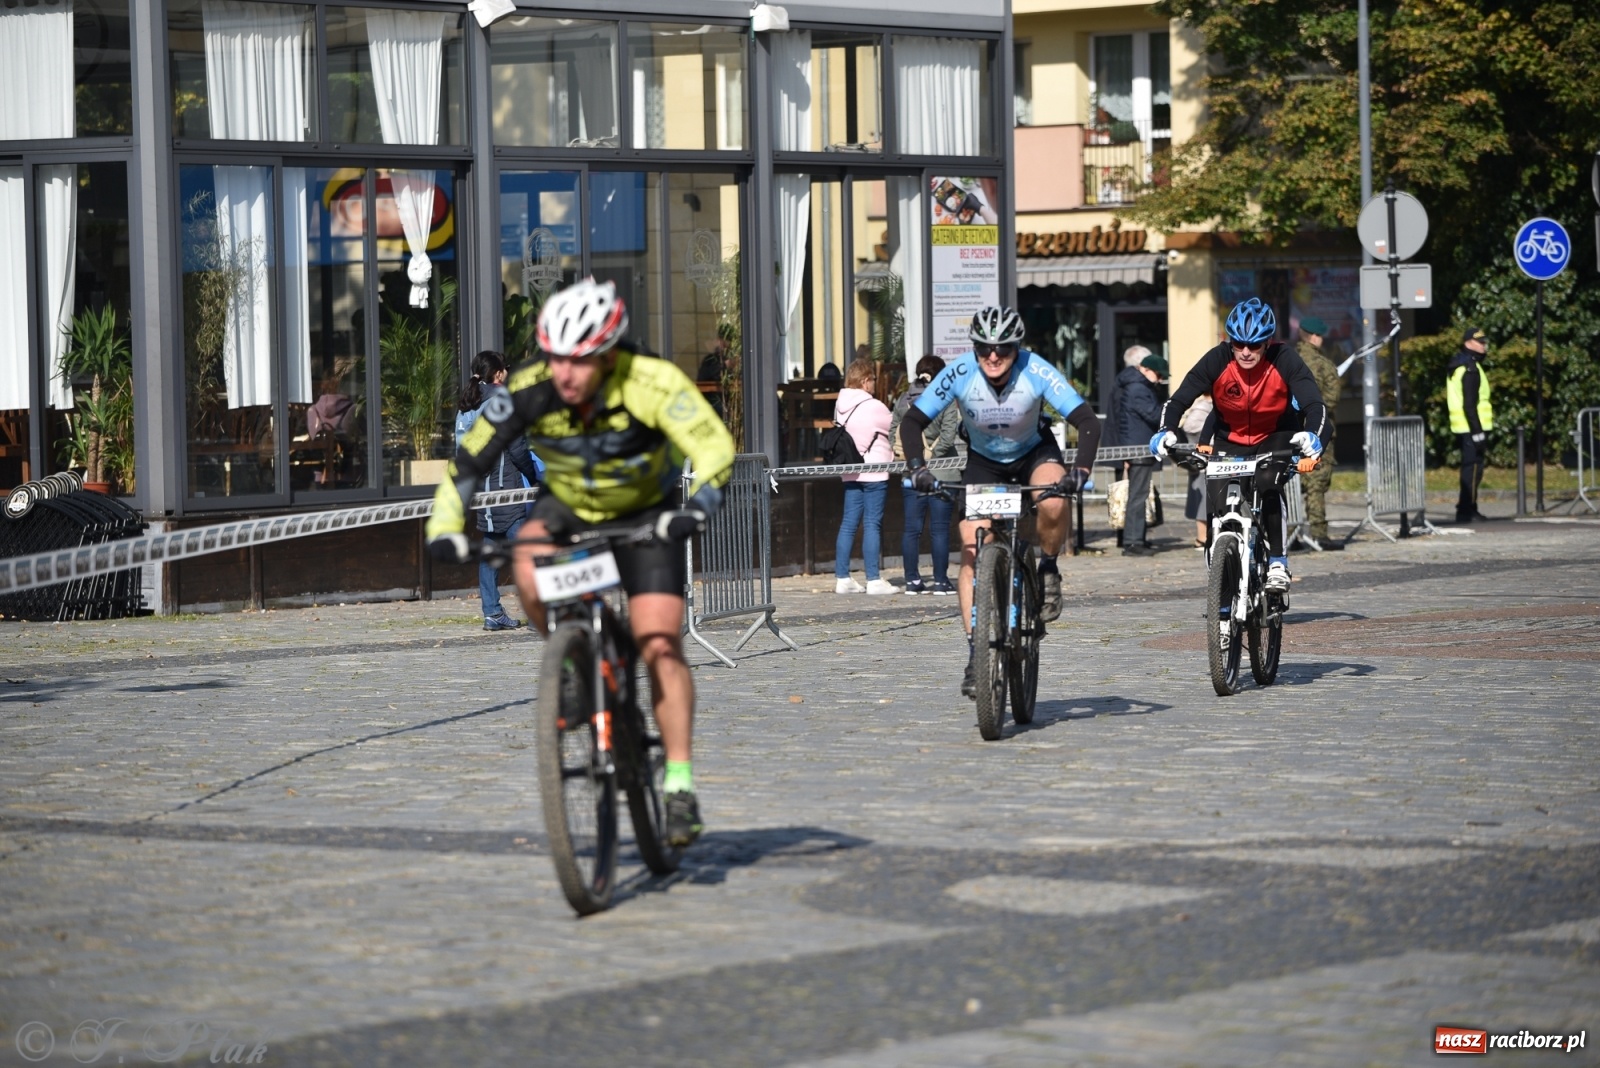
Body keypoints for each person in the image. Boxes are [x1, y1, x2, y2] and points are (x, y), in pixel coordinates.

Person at [426, 278, 734, 848]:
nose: (564, 373)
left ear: (609, 354)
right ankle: (571, 657)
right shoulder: (531, 385)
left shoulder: (651, 381)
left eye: (580, 360)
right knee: (527, 556)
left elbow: (714, 448)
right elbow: (469, 460)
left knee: (660, 642)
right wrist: (443, 524)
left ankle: (679, 785)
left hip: (645, 511)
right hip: (569, 504)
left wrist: (698, 508)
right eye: (555, 357)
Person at [901, 306, 1102, 697]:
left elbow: (1087, 421)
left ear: (1017, 348)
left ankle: (1048, 567)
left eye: (1003, 348)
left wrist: (1080, 471)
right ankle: (976, 653)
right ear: (974, 348)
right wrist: (916, 468)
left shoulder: (1036, 370)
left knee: (1053, 501)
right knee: (973, 546)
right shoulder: (960, 372)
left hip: (1034, 454)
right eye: (984, 348)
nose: (993, 356)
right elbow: (912, 422)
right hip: (985, 464)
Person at [1151, 297, 1329, 593]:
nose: (1246, 351)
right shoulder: (1217, 359)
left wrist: (1313, 435)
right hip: (1230, 438)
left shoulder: (1284, 359)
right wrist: (1165, 430)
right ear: (1230, 341)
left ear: (1267, 343)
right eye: (1238, 343)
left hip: (1274, 434)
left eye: (1254, 345)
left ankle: (1277, 562)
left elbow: (1315, 405)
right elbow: (1179, 399)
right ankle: (1221, 567)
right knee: (1218, 503)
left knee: (1268, 482)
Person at [454, 350, 545, 631]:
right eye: (505, 368)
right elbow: (517, 448)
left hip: (484, 492)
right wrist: (535, 475)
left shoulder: (466, 406)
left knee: (491, 547)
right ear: (498, 374)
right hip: (508, 488)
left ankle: (492, 612)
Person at [891, 355, 961, 594]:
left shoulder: (903, 400)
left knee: (912, 529)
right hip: (943, 473)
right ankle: (940, 581)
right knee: (939, 530)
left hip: (911, 473)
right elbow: (949, 436)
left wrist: (914, 458)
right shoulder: (946, 400)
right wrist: (931, 455)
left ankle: (912, 581)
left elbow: (894, 433)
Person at [833, 358, 897, 595]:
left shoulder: (840, 405)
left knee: (848, 523)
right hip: (874, 470)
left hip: (850, 471)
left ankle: (842, 578)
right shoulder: (875, 406)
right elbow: (894, 428)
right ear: (864, 381)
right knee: (872, 523)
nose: (874, 384)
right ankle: (873, 579)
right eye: (872, 380)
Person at [1114, 349, 1167, 556]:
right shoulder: (1138, 388)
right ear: (1146, 369)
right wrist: (1168, 409)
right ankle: (1133, 542)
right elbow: (1154, 415)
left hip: (1138, 447)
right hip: (1139, 448)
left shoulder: (1137, 386)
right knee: (1137, 496)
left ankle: (1138, 539)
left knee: (1139, 495)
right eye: (1158, 374)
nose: (1160, 379)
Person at [1295, 316, 1343, 548]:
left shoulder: (1286, 361)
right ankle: (1319, 534)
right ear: (1314, 337)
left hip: (1289, 431)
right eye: (1320, 335)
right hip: (1318, 432)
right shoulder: (1322, 364)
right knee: (1315, 483)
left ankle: (1287, 534)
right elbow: (1332, 399)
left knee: (1288, 483)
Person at [1448, 327, 1494, 523]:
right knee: (1473, 470)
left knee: (1470, 469)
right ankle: (1467, 510)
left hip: (1464, 426)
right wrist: (1477, 433)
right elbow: (1470, 405)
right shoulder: (1470, 368)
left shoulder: (1460, 364)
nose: (1484, 345)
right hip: (1472, 427)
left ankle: (1466, 508)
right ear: (1468, 343)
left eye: (1484, 341)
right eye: (1480, 342)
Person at [1179, 392, 1214, 548]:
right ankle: (1201, 538)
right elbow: (1189, 427)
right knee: (1202, 500)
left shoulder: (1208, 405)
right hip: (1203, 460)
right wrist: (1206, 439)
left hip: (1208, 459)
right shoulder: (1203, 407)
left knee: (1207, 499)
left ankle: (1206, 537)